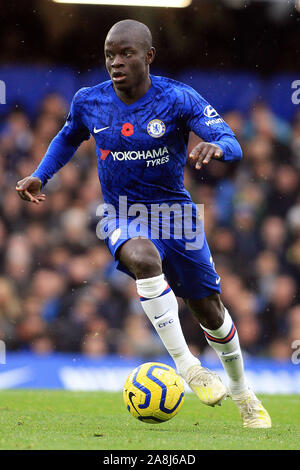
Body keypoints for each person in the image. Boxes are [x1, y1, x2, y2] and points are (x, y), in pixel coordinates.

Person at [16, 19, 271, 428]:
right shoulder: (89, 101)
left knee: (211, 311)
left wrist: (215, 146)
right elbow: (67, 137)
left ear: (148, 56)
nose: (115, 63)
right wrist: (40, 174)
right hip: (122, 213)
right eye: (109, 56)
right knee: (143, 259)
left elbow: (233, 143)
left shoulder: (178, 98)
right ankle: (188, 367)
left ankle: (243, 393)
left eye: (125, 54)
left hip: (176, 215)